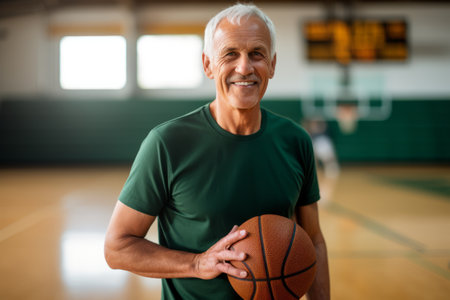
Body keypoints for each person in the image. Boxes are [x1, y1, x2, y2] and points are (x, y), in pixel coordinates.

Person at [104, 3, 330, 300]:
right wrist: (196, 263)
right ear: (208, 64)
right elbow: (117, 247)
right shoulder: (168, 143)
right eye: (230, 54)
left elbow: (313, 241)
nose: (245, 67)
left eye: (257, 54)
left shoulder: (295, 140)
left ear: (272, 65)